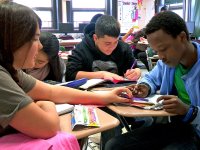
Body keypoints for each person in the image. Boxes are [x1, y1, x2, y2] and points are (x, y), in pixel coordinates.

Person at [0, 1, 132, 141]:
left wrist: (105, 97)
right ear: (15, 41)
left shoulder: (10, 69)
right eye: (36, 38)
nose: (39, 46)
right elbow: (48, 127)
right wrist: (46, 103)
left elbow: (51, 91)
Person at [105, 11, 200, 150]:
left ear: (182, 37)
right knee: (114, 146)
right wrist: (145, 86)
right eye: (156, 51)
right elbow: (151, 78)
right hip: (176, 128)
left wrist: (189, 111)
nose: (160, 57)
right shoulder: (168, 63)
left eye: (163, 49)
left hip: (196, 131)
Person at [65, 15, 141, 82]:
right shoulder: (82, 48)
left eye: (115, 42)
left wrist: (137, 72)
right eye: (107, 43)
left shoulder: (124, 48)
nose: (112, 47)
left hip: (118, 92)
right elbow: (70, 75)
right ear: (95, 38)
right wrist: (102, 74)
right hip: (89, 94)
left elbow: (135, 68)